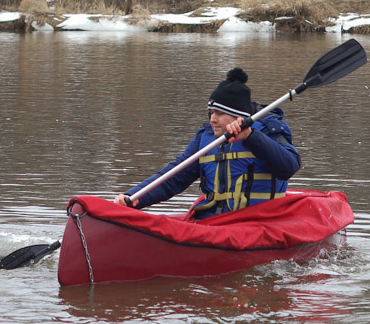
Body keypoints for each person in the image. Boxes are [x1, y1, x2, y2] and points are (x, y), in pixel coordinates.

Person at [115, 68, 301, 219]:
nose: (213, 119)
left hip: (257, 221)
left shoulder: (269, 130)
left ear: (238, 116)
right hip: (215, 221)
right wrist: (133, 197)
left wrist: (250, 137)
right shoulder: (204, 139)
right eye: (211, 113)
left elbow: (288, 167)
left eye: (219, 114)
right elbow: (172, 178)